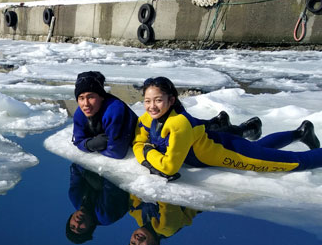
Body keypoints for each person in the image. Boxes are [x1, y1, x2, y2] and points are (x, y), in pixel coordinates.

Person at [133, 76, 322, 181]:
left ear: (171, 100)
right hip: (219, 145)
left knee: (294, 162)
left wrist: (147, 152)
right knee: (263, 148)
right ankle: (301, 133)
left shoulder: (178, 124)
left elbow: (169, 166)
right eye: (147, 101)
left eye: (158, 100)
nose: (152, 106)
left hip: (232, 152)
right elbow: (137, 143)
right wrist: (145, 151)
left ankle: (305, 138)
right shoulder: (147, 119)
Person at [71, 71, 262, 159]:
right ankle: (217, 121)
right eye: (81, 98)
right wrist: (90, 144)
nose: (85, 103)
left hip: (158, 130)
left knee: (208, 136)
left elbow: (117, 152)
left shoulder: (114, 111)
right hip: (157, 127)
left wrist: (92, 145)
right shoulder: (81, 113)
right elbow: (78, 141)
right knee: (199, 127)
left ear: (102, 97)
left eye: (91, 97)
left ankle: (246, 129)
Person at [65, 163, 129, 244]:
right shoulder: (105, 216)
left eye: (72, 226)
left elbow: (75, 166)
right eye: (81, 229)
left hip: (100, 167)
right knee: (98, 184)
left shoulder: (75, 197)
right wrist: (88, 173)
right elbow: (112, 182)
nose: (77, 223)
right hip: (123, 173)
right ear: (91, 226)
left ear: (70, 219)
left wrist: (85, 170)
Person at [126, 195, 198, 245]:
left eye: (133, 243)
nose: (138, 241)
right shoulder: (166, 228)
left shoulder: (137, 215)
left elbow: (133, 190)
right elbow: (166, 196)